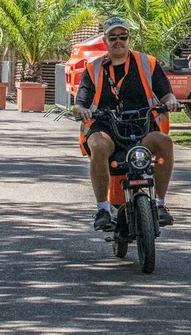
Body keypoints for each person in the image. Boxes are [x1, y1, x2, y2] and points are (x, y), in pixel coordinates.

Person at [73, 17, 179, 231]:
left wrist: (171, 101)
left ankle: (160, 205)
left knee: (165, 142)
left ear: (129, 38)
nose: (118, 41)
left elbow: (166, 93)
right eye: (113, 37)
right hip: (106, 129)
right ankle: (103, 209)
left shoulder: (147, 63)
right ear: (105, 40)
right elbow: (80, 103)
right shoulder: (93, 68)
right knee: (98, 146)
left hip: (141, 127)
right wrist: (81, 110)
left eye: (123, 36)